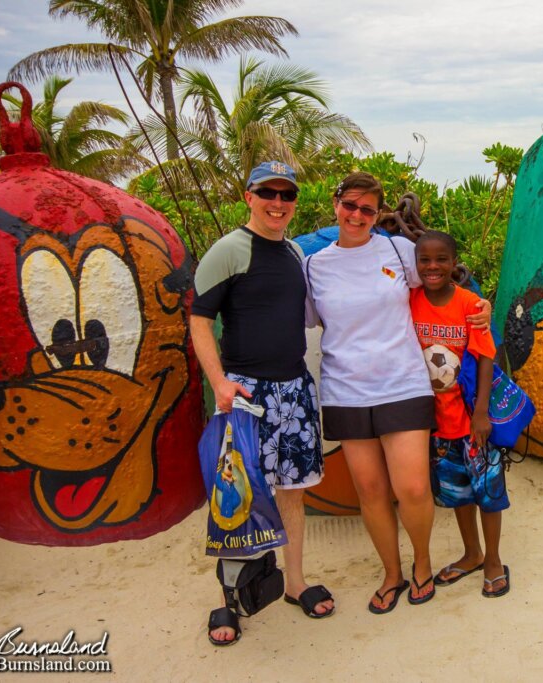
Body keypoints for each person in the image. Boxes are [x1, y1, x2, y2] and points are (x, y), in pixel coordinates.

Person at [302, 172, 490, 614]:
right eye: (350, 205)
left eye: (367, 209)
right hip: (345, 390)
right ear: (336, 204)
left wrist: (477, 309)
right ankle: (392, 573)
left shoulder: (397, 249)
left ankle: (421, 563)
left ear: (377, 213)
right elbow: (306, 320)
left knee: (413, 488)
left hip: (403, 383)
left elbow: (440, 284)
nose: (357, 215)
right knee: (370, 491)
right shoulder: (314, 266)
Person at [191, 161, 334, 646]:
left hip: (293, 389)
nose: (278, 203)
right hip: (245, 394)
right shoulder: (229, 249)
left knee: (293, 492)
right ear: (249, 197)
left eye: (286, 195)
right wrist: (220, 383)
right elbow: (198, 321)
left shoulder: (294, 251)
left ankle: (294, 582)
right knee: (237, 500)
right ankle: (230, 602)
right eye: (268, 193)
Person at [410, 230, 511, 598]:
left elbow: (487, 356)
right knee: (458, 493)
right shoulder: (409, 300)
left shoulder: (470, 304)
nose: (433, 266)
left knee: (488, 491)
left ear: (455, 264)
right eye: (425, 260)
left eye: (441, 259)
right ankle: (472, 554)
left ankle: (495, 559)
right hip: (437, 423)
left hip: (471, 421)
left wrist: (481, 412)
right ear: (416, 264)